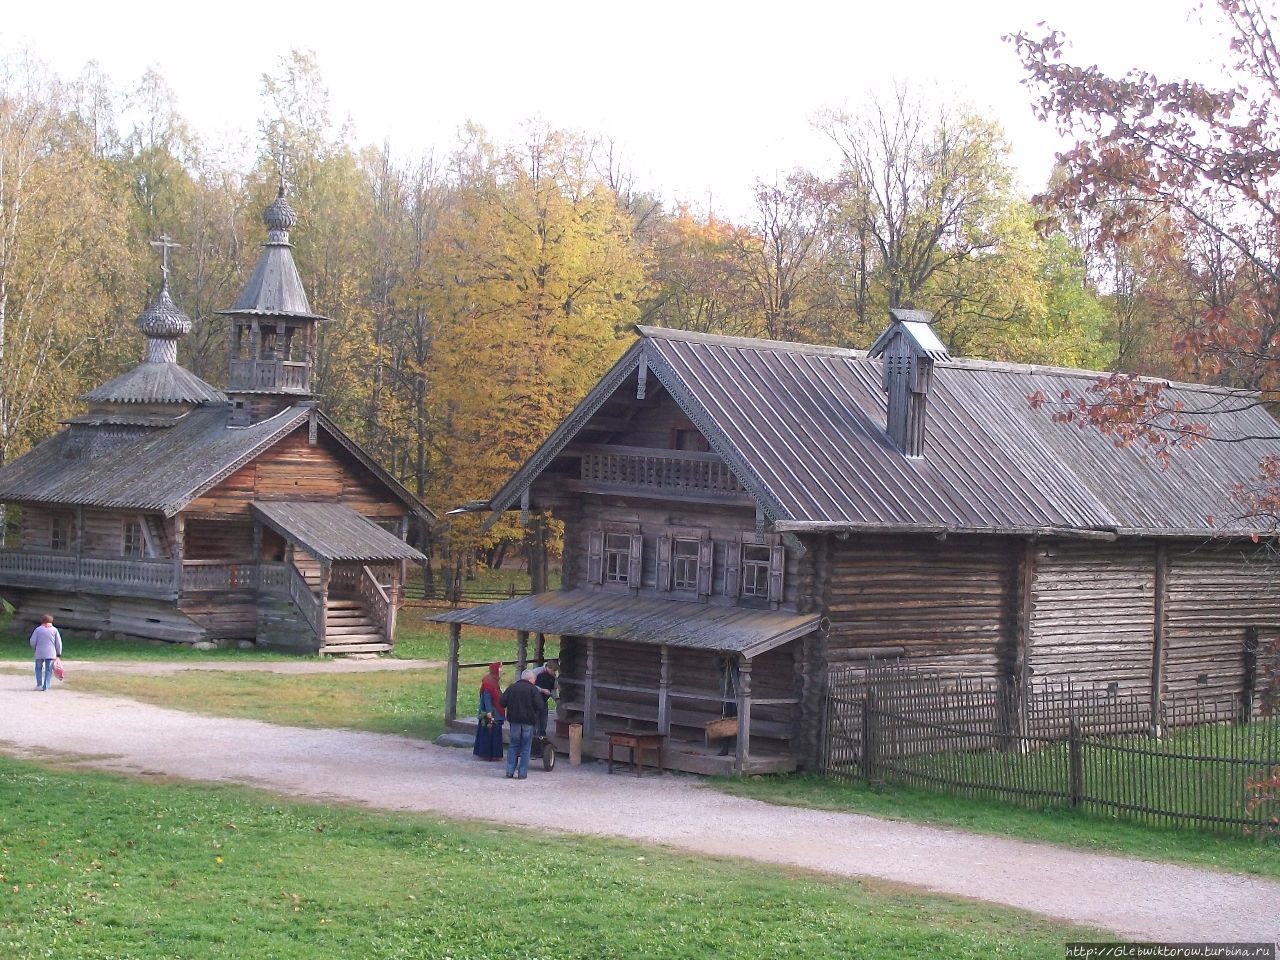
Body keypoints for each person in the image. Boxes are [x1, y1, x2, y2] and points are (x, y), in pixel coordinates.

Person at [499, 668, 541, 779]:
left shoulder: (512, 688)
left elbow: (502, 702)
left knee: (513, 745)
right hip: (528, 721)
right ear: (530, 679)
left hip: (514, 721)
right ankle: (522, 773)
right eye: (534, 679)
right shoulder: (533, 689)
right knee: (526, 747)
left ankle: (509, 771)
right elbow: (540, 705)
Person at [472, 663, 505, 761]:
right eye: (500, 668)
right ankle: (488, 754)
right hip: (492, 711)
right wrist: (489, 711)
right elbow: (487, 697)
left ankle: (492, 754)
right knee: (489, 732)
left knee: (492, 732)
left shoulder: (493, 681)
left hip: (494, 710)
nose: (501, 670)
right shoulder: (489, 682)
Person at [30, 615, 62, 692]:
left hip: (39, 652)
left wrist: (35, 648)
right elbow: (58, 643)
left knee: (38, 668)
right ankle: (46, 686)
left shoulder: (38, 630)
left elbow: (32, 641)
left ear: (42, 621)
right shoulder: (54, 630)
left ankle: (39, 685)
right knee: (48, 669)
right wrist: (58, 653)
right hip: (51, 652)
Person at [533, 659, 559, 739]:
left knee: (544, 718)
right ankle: (534, 736)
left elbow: (553, 689)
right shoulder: (537, 672)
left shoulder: (553, 677)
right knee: (535, 718)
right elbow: (530, 685)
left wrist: (556, 699)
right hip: (535, 700)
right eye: (552, 670)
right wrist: (542, 690)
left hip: (544, 701)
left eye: (555, 671)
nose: (553, 673)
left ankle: (542, 734)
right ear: (548, 667)